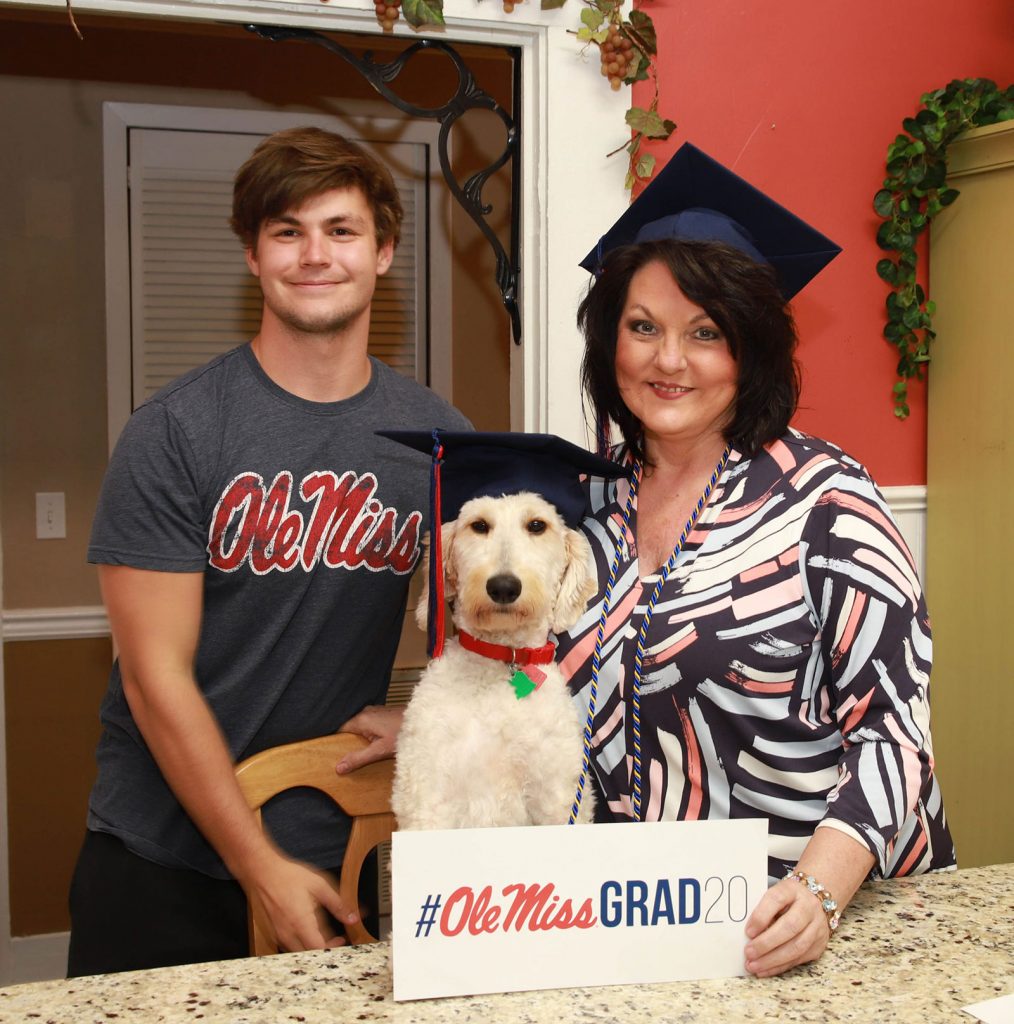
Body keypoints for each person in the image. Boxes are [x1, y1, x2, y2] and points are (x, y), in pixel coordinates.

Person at [68, 126, 470, 976]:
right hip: (162, 860)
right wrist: (257, 868)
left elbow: (508, 626)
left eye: (341, 230)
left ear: (384, 250)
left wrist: (432, 715)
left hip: (330, 843)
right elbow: (152, 678)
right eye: (287, 231)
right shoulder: (176, 432)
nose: (314, 254)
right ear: (253, 255)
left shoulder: (438, 442)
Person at [555, 142, 955, 979]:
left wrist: (821, 890)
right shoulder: (588, 504)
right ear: (609, 340)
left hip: (819, 926)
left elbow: (895, 735)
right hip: (649, 923)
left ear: (753, 348)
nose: (668, 361)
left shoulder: (827, 502)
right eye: (643, 327)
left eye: (706, 333)